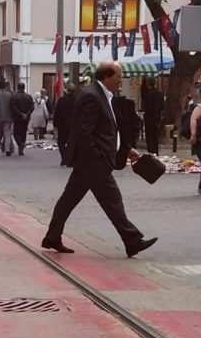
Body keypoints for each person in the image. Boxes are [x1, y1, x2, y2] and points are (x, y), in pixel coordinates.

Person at [42, 62, 157, 258]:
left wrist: (126, 149)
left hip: (92, 161)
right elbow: (84, 132)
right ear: (107, 76)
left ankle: (52, 236)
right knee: (112, 201)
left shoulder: (101, 95)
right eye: (119, 75)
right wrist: (98, 156)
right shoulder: (92, 96)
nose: (121, 80)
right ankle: (132, 240)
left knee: (69, 199)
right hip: (94, 162)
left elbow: (106, 130)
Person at [0, 79, 15, 156]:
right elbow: (12, 106)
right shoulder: (10, 95)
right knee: (7, 134)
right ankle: (7, 150)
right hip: (8, 117)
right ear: (4, 86)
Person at [53, 84, 76, 165]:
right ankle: (70, 159)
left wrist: (55, 124)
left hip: (62, 125)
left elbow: (57, 112)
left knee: (61, 143)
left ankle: (64, 158)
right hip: (74, 125)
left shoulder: (61, 100)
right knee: (71, 143)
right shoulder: (78, 100)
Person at [142, 79, 164, 155]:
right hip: (157, 117)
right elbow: (162, 106)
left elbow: (145, 105)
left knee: (149, 135)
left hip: (148, 117)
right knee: (155, 136)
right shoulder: (160, 94)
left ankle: (150, 151)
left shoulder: (147, 94)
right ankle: (156, 151)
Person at [12, 83, 33, 155]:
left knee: (16, 133)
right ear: (24, 88)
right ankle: (21, 148)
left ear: (18, 88)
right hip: (26, 118)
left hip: (17, 118)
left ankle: (20, 144)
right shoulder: (29, 96)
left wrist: (21, 114)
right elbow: (32, 107)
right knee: (23, 133)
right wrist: (27, 114)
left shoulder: (14, 96)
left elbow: (13, 107)